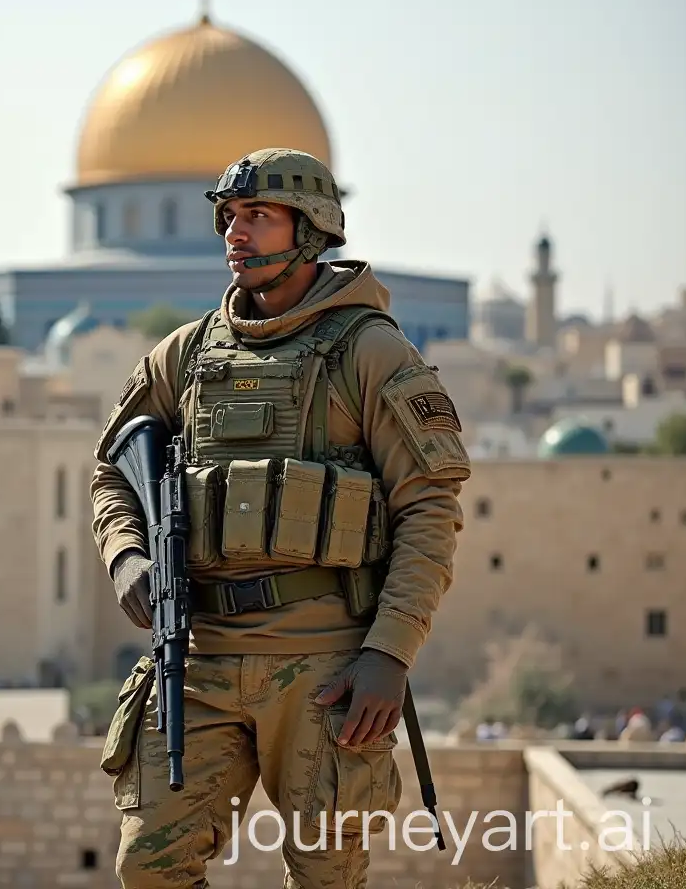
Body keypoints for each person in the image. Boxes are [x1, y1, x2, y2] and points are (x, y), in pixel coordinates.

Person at [91, 148, 471, 887]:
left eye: (258, 216)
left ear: (313, 229)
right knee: (149, 866)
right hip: (198, 656)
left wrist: (389, 655)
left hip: (326, 664)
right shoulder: (188, 354)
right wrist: (126, 556)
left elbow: (429, 507)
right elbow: (114, 468)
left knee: (327, 873)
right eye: (229, 217)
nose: (236, 232)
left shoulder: (371, 351)